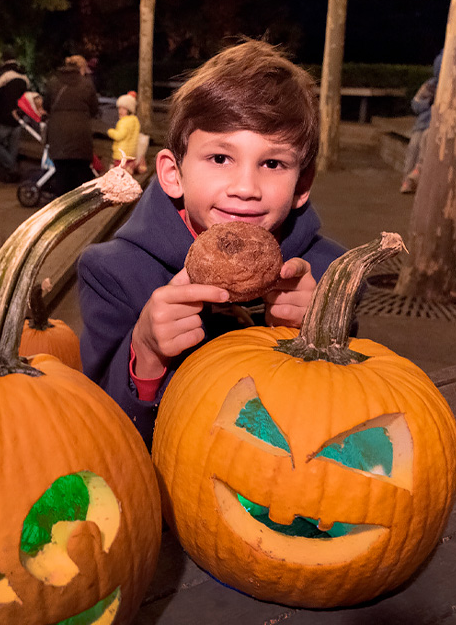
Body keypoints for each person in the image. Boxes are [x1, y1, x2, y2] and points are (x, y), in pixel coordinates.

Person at [77, 40, 346, 442]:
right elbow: (96, 429)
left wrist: (322, 334)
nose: (245, 187)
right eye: (220, 158)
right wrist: (146, 350)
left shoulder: (330, 278)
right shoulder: (113, 273)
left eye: (272, 163)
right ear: (173, 173)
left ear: (302, 184)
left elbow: (350, 420)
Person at [43, 54, 100, 194]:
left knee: (62, 176)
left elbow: (46, 105)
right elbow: (94, 109)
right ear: (81, 68)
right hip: (81, 136)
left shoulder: (53, 82)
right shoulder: (86, 84)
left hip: (58, 136)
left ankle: (63, 208)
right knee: (81, 177)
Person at [401, 51, 443, 194]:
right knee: (413, 146)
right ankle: (407, 180)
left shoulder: (451, 89)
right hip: (422, 123)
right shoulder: (430, 85)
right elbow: (415, 103)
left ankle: (418, 176)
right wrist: (428, 103)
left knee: (425, 142)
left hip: (436, 125)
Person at [0, 53, 29, 182]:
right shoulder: (24, 77)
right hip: (18, 119)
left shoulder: (2, 75)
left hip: (3, 118)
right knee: (12, 148)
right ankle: (11, 172)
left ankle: (12, 168)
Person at [108, 91, 141, 172]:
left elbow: (119, 135)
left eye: (124, 109)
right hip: (131, 154)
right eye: (119, 108)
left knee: (119, 174)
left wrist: (110, 132)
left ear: (129, 109)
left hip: (121, 154)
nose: (120, 111)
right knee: (128, 174)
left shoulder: (124, 121)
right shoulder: (135, 120)